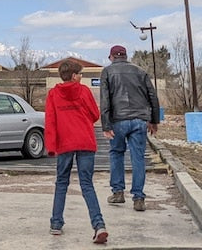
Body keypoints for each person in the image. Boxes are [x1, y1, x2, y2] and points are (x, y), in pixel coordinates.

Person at [45, 59, 108, 244]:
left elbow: (50, 122)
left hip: (65, 144)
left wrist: (51, 146)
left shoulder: (53, 94)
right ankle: (99, 225)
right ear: (73, 76)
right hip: (85, 142)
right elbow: (95, 115)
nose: (81, 77)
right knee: (87, 184)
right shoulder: (84, 91)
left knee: (62, 182)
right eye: (80, 74)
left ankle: (56, 223)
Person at [100, 45, 160, 211]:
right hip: (140, 120)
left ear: (111, 57)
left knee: (116, 154)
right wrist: (154, 121)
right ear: (126, 56)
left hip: (118, 120)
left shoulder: (107, 72)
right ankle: (138, 198)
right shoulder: (140, 71)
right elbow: (153, 97)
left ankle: (118, 192)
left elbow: (105, 100)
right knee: (138, 157)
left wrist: (106, 124)